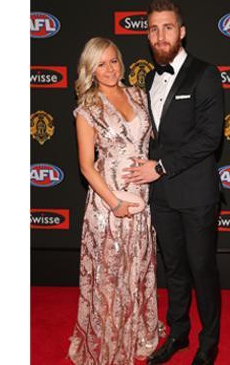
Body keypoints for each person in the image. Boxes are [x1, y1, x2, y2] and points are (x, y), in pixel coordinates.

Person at [124, 0, 224, 364]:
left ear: (181, 32)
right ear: (147, 35)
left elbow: (209, 138)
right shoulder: (149, 79)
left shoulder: (205, 74)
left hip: (195, 194)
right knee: (175, 270)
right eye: (153, 29)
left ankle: (209, 341)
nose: (160, 35)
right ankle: (178, 332)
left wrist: (160, 166)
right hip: (162, 195)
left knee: (202, 269)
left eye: (167, 27)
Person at [68, 37, 162, 365]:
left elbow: (150, 145)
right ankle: (109, 338)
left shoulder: (138, 94)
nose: (109, 69)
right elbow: (85, 166)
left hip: (141, 201)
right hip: (108, 207)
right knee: (110, 275)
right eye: (101, 63)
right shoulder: (87, 109)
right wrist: (114, 203)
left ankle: (136, 331)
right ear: (90, 69)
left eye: (113, 61)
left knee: (135, 270)